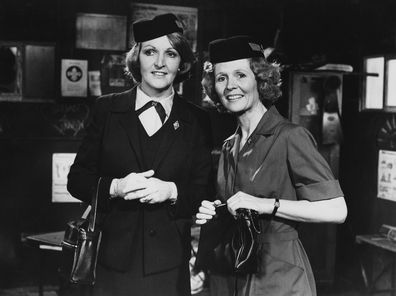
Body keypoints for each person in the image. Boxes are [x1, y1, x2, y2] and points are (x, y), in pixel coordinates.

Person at [67, 13, 213, 296]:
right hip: (111, 261)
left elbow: (204, 190)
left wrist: (171, 190)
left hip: (170, 265)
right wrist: (115, 187)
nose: (160, 63)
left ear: (180, 63)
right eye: (150, 52)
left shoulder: (198, 120)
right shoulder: (107, 110)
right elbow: (77, 179)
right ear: (137, 59)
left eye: (170, 53)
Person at [195, 35, 347, 296]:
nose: (231, 85)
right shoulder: (229, 145)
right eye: (221, 78)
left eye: (241, 75)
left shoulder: (290, 136)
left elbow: (336, 209)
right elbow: (238, 206)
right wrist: (215, 210)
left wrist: (267, 204)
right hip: (231, 276)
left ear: (260, 79)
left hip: (279, 278)